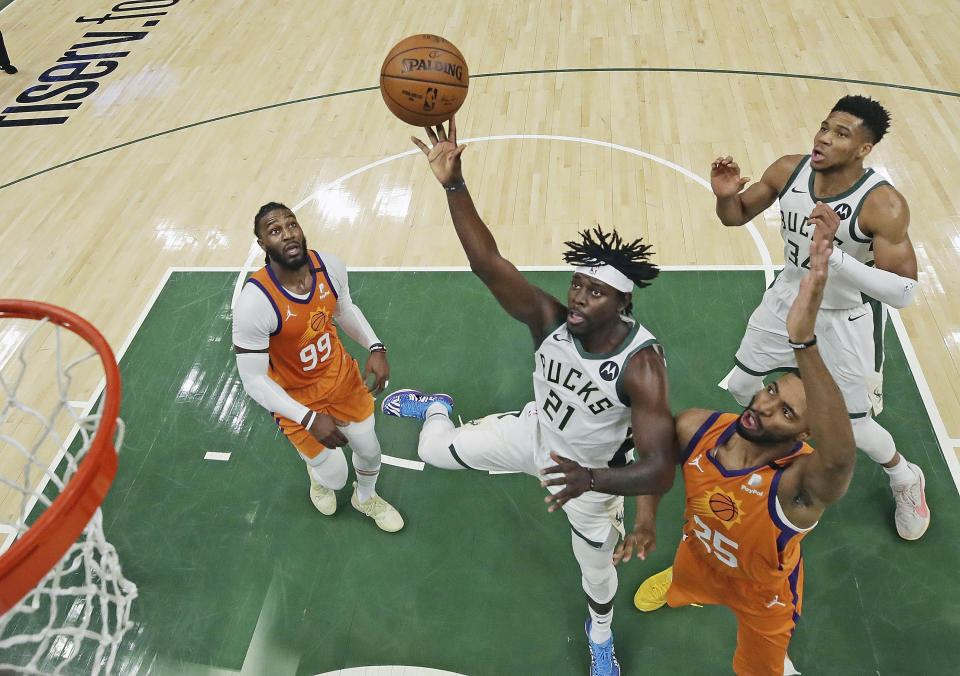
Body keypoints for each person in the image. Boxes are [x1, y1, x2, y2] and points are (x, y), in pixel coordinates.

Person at [381, 118, 676, 676]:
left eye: (595, 292)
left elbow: (659, 466)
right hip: (534, 433)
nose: (579, 298)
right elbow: (488, 263)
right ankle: (439, 408)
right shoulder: (550, 320)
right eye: (577, 285)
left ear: (622, 305)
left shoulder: (641, 366)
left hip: (590, 477)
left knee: (596, 571)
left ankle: (601, 637)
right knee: (431, 452)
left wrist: (601, 487)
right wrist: (453, 184)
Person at [541, 213, 856, 676]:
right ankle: (680, 586)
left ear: (802, 435)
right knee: (687, 576)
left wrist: (803, 342)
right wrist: (646, 522)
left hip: (762, 595)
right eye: (771, 390)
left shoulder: (798, 484)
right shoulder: (697, 428)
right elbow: (655, 459)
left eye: (787, 412)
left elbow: (841, 456)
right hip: (700, 555)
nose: (766, 406)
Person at [711, 94, 928, 540]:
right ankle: (787, 436)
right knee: (743, 385)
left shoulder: (882, 205)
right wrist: (725, 198)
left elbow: (905, 292)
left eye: (840, 134)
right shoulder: (787, 170)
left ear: (864, 149)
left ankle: (905, 476)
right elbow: (736, 217)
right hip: (787, 297)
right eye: (825, 127)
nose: (824, 139)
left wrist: (836, 259)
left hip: (843, 315)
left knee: (854, 428)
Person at [232, 202, 403, 532]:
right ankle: (319, 476)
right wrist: (308, 417)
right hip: (295, 399)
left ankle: (365, 498)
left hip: (341, 379)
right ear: (262, 244)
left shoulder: (329, 267)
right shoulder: (255, 303)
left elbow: (344, 311)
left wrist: (376, 346)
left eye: (292, 224)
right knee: (336, 477)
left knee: (369, 451)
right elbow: (253, 381)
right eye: (275, 230)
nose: (288, 234)